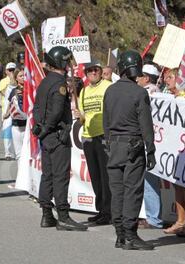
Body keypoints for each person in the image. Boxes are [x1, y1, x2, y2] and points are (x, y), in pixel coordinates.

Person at [103, 50, 156, 250]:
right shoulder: (139, 92)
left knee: (117, 192)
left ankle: (120, 234)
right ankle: (130, 234)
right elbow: (146, 125)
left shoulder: (110, 90)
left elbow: (106, 121)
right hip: (132, 145)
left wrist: (109, 143)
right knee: (132, 190)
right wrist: (150, 150)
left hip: (114, 145)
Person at [32, 46, 87, 231]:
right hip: (56, 135)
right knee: (60, 176)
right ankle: (63, 215)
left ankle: (47, 215)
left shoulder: (44, 82)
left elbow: (37, 108)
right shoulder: (60, 84)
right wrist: (47, 128)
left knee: (47, 175)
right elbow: (56, 112)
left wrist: (41, 129)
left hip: (47, 137)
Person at [74, 59, 112, 225]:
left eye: (96, 70)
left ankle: (109, 211)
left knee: (106, 176)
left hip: (104, 136)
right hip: (89, 137)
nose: (94, 73)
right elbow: (83, 117)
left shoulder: (108, 87)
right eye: (90, 71)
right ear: (86, 74)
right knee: (95, 176)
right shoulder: (83, 91)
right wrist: (79, 115)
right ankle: (101, 209)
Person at [162, 68, 185, 237]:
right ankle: (180, 220)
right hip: (174, 147)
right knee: (177, 183)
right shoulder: (171, 97)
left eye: (169, 77)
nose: (166, 81)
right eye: (165, 78)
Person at [136, 63, 163, 229]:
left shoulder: (151, 92)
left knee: (150, 179)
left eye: (140, 75)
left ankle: (154, 218)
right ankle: (150, 215)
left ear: (147, 78)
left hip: (152, 140)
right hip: (149, 138)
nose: (136, 78)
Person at [4, 69, 26, 162]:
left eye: (24, 75)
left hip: (26, 125)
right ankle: (21, 175)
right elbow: (10, 103)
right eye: (21, 76)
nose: (23, 77)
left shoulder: (29, 89)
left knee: (27, 152)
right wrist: (7, 113)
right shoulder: (14, 90)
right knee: (19, 153)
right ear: (16, 78)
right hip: (16, 125)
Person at [0, 62, 16, 160]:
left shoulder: (19, 79)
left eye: (13, 70)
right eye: (9, 70)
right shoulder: (3, 81)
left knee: (18, 130)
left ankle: (17, 152)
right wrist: (11, 83)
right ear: (6, 71)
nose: (11, 72)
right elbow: (4, 93)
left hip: (16, 109)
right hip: (6, 109)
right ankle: (8, 153)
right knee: (7, 132)